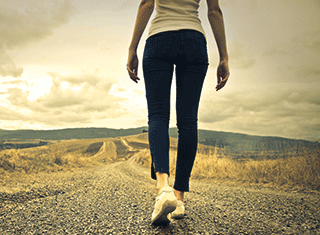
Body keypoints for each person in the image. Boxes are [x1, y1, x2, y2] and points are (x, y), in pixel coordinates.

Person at [127, 0, 229, 225]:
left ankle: (163, 187)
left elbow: (146, 4)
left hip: (159, 38)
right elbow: (214, 11)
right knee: (188, 121)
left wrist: (132, 48)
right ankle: (179, 198)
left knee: (158, 116)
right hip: (194, 39)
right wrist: (224, 57)